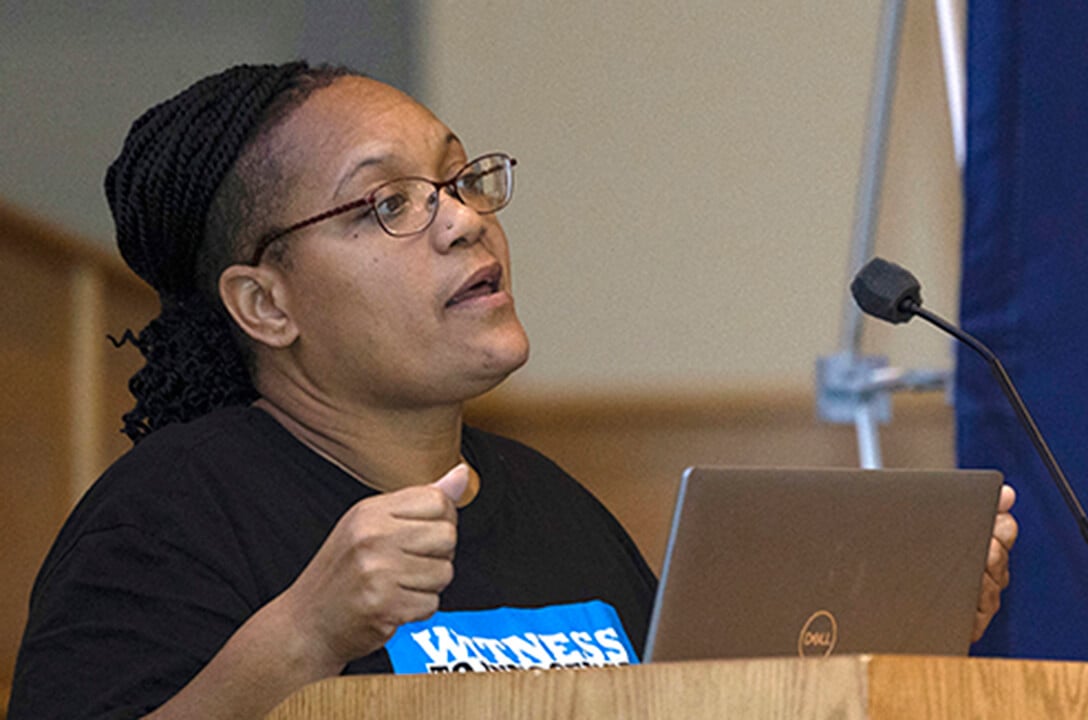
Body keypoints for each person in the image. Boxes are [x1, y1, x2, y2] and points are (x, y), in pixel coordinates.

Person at [7, 61, 1018, 719]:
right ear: (266, 304)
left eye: (458, 181)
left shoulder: (553, 508)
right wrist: (302, 638)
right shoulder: (169, 518)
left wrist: (901, 634)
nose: (463, 221)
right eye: (387, 204)